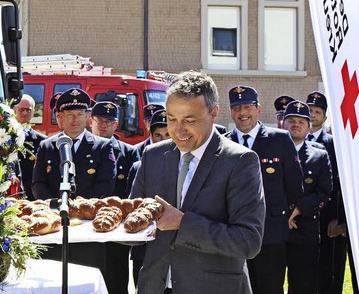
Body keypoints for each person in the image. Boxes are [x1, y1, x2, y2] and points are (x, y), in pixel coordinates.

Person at [130, 71, 265, 294]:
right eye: (171, 119)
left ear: (214, 113)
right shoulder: (152, 156)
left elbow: (248, 241)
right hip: (155, 286)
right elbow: (133, 224)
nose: (178, 130)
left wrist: (183, 224)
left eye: (189, 121)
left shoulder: (240, 161)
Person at [32, 88, 116, 282]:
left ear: (88, 116)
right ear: (61, 117)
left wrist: (78, 208)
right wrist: (56, 206)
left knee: (86, 278)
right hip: (54, 224)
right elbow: (37, 183)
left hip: (87, 226)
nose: (75, 120)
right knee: (53, 280)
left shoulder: (101, 146)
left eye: (80, 114)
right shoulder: (48, 145)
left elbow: (105, 184)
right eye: (69, 115)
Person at [225, 85, 303, 294]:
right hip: (233, 234)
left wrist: (288, 213)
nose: (242, 113)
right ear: (231, 111)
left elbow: (295, 183)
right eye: (237, 108)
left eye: (247, 107)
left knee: (270, 288)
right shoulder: (224, 142)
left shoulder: (279, 139)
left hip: (271, 232)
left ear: (258, 109)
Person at [282, 100, 332, 294]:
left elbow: (324, 191)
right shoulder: (271, 151)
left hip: (305, 230)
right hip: (276, 228)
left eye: (302, 121)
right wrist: (284, 214)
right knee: (269, 283)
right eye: (291, 120)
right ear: (282, 124)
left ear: (309, 127)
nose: (296, 124)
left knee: (304, 285)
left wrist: (297, 210)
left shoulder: (319, 155)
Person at [308, 91, 357, 294]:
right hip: (304, 219)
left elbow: (341, 185)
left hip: (330, 220)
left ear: (325, 117)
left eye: (317, 111)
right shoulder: (292, 141)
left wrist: (340, 220)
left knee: (331, 271)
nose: (313, 115)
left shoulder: (335, 144)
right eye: (309, 110)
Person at [89, 101, 140, 294]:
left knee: (117, 276)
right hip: (87, 222)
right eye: (99, 120)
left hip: (116, 227)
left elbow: (133, 190)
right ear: (91, 121)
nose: (103, 125)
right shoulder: (81, 149)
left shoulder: (129, 152)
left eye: (109, 121)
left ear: (116, 125)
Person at [127, 107, 169, 286]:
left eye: (167, 134)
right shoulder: (139, 166)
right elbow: (132, 204)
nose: (163, 140)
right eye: (158, 135)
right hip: (145, 248)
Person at [13, 94, 47, 200]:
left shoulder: (42, 142)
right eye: (21, 109)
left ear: (33, 112)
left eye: (28, 110)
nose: (25, 113)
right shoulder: (3, 137)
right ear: (14, 110)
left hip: (32, 197)